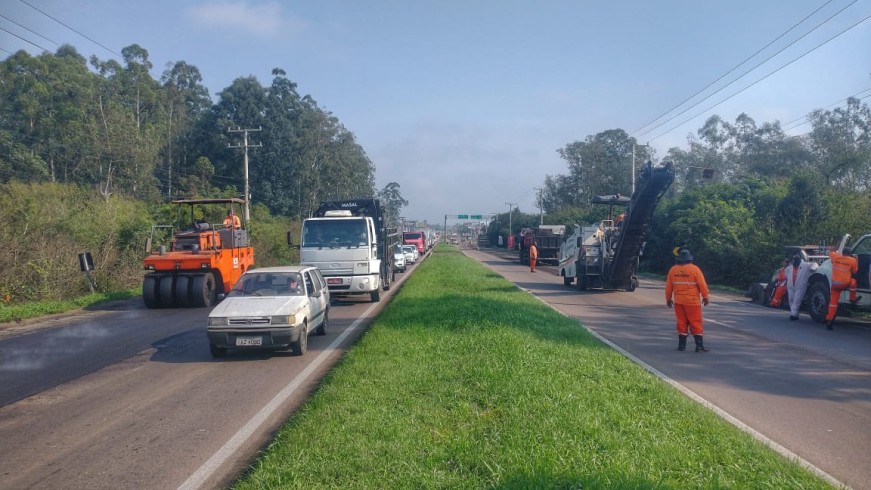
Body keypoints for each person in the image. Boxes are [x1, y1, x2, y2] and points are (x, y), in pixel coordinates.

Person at [665, 248, 710, 352]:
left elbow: (668, 286)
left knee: (681, 322)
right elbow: (702, 284)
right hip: (692, 302)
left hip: (679, 302)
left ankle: (681, 346)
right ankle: (699, 346)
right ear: (689, 259)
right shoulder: (695, 269)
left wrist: (668, 299)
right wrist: (705, 297)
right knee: (695, 322)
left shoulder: (673, 270)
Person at [826, 247, 860, 330]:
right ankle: (852, 299)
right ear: (850, 254)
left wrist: (833, 251)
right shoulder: (852, 260)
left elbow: (830, 252)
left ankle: (829, 320)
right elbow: (855, 272)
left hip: (834, 284)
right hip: (845, 284)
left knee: (833, 303)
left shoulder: (836, 257)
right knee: (854, 281)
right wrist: (856, 259)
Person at [785, 253, 815, 321]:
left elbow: (814, 264)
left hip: (800, 286)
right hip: (791, 286)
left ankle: (793, 315)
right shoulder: (789, 268)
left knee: (797, 300)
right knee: (791, 300)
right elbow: (786, 273)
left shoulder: (805, 265)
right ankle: (794, 313)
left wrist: (812, 270)